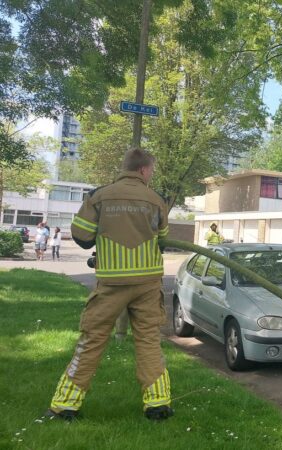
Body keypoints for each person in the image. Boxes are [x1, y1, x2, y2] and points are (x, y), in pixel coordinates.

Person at [46, 148, 173, 421]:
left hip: (112, 284)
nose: (151, 175)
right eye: (151, 171)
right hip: (148, 283)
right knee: (149, 341)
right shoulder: (156, 199)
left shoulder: (99, 196)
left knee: (91, 341)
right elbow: (163, 237)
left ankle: (65, 404)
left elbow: (81, 235)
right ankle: (158, 404)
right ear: (143, 170)